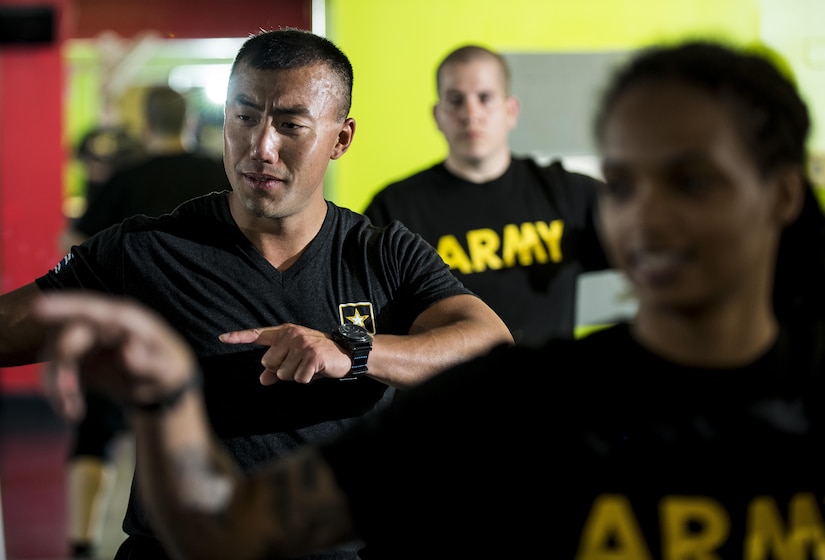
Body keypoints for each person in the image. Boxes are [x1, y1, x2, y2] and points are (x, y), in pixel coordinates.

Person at [29, 39, 825, 559]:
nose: (647, 217)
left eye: (690, 180)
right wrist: (167, 397)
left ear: (784, 194)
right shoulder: (499, 405)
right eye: (622, 183)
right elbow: (227, 533)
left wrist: (358, 350)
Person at [0, 28, 514, 560]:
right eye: (244, 116)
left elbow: (489, 343)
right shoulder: (143, 251)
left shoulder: (381, 253)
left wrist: (354, 349)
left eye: (291, 125)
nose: (260, 147)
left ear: (341, 138)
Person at [55, 88, 231, 559]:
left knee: (96, 430)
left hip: (127, 333)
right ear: (188, 119)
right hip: (207, 327)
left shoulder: (123, 178)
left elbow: (74, 244)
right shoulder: (217, 172)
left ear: (146, 124)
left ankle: (81, 543)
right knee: (210, 431)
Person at [364, 45, 610, 346]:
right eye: (456, 100)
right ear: (438, 115)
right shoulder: (395, 208)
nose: (471, 113)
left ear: (510, 111)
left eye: (485, 98)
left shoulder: (570, 194)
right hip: (444, 390)